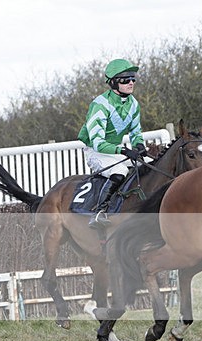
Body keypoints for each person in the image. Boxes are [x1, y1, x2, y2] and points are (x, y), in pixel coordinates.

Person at [77, 58, 147, 229]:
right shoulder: (99, 105)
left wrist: (139, 145)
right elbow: (98, 142)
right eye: (125, 79)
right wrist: (123, 150)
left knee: (149, 167)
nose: (131, 82)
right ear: (114, 82)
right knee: (120, 171)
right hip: (96, 151)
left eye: (133, 79)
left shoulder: (133, 103)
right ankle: (100, 212)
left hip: (115, 151)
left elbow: (136, 131)